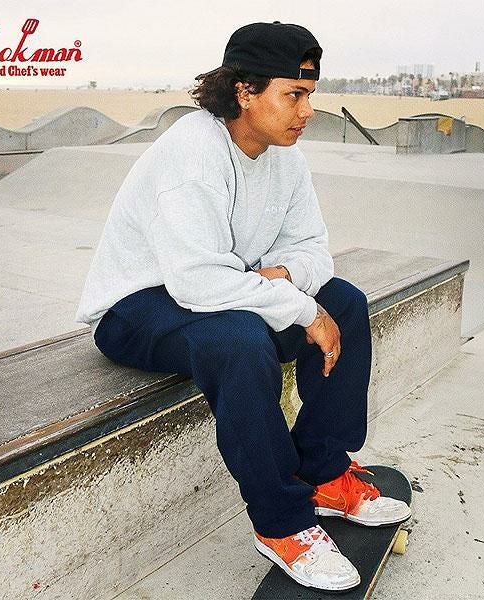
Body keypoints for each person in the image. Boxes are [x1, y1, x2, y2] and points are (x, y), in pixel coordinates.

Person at [76, 21, 411, 593]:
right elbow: (196, 282)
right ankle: (282, 523)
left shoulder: (285, 156)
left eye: (310, 95)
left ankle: (324, 472)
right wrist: (300, 309)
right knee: (240, 341)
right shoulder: (193, 151)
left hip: (225, 292)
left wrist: (288, 278)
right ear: (244, 91)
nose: (307, 111)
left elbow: (314, 250)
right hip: (136, 308)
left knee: (346, 303)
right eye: (294, 95)